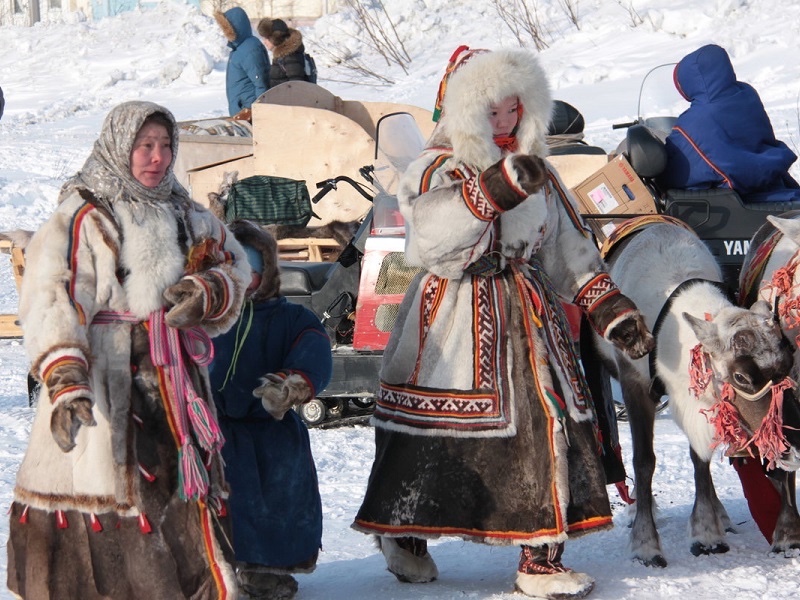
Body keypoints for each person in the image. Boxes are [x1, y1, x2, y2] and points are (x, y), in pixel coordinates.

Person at [351, 46, 655, 599]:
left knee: (552, 426)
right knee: (428, 441)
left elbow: (568, 248)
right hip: (451, 320)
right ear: (466, 110)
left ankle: (541, 558)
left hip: (529, 312)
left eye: (515, 107)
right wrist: (493, 189)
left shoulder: (540, 167)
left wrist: (610, 309)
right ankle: (405, 534)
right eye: (492, 109)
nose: (505, 119)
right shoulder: (437, 168)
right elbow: (433, 244)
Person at [6, 100, 252, 599]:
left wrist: (206, 291)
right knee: (116, 501)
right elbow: (51, 295)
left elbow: (235, 266)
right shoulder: (84, 215)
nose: (156, 157)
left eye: (164, 146)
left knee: (182, 495)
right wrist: (64, 377)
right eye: (145, 145)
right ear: (121, 147)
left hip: (174, 381)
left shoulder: (187, 212)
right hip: (105, 378)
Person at [208, 219, 333, 600]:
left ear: (266, 275)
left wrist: (290, 386)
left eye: (250, 272)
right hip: (216, 430)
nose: (241, 280)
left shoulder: (291, 318)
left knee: (272, 503)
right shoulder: (205, 320)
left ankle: (268, 572)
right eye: (231, 271)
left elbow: (313, 351)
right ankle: (217, 567)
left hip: (270, 431)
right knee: (222, 504)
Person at [657, 43, 800, 203]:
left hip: (740, 199)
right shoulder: (745, 93)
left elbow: (678, 171)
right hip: (773, 180)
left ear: (688, 82)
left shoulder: (696, 121)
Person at [215, 7, 271, 118]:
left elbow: (261, 84)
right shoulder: (238, 47)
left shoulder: (250, 49)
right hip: (242, 111)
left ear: (235, 28)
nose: (224, 32)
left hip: (249, 113)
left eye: (226, 28)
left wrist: (259, 113)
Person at [257, 18, 311, 89]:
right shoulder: (282, 56)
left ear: (275, 38)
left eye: (266, 38)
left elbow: (297, 87)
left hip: (288, 99)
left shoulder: (290, 57)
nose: (264, 42)